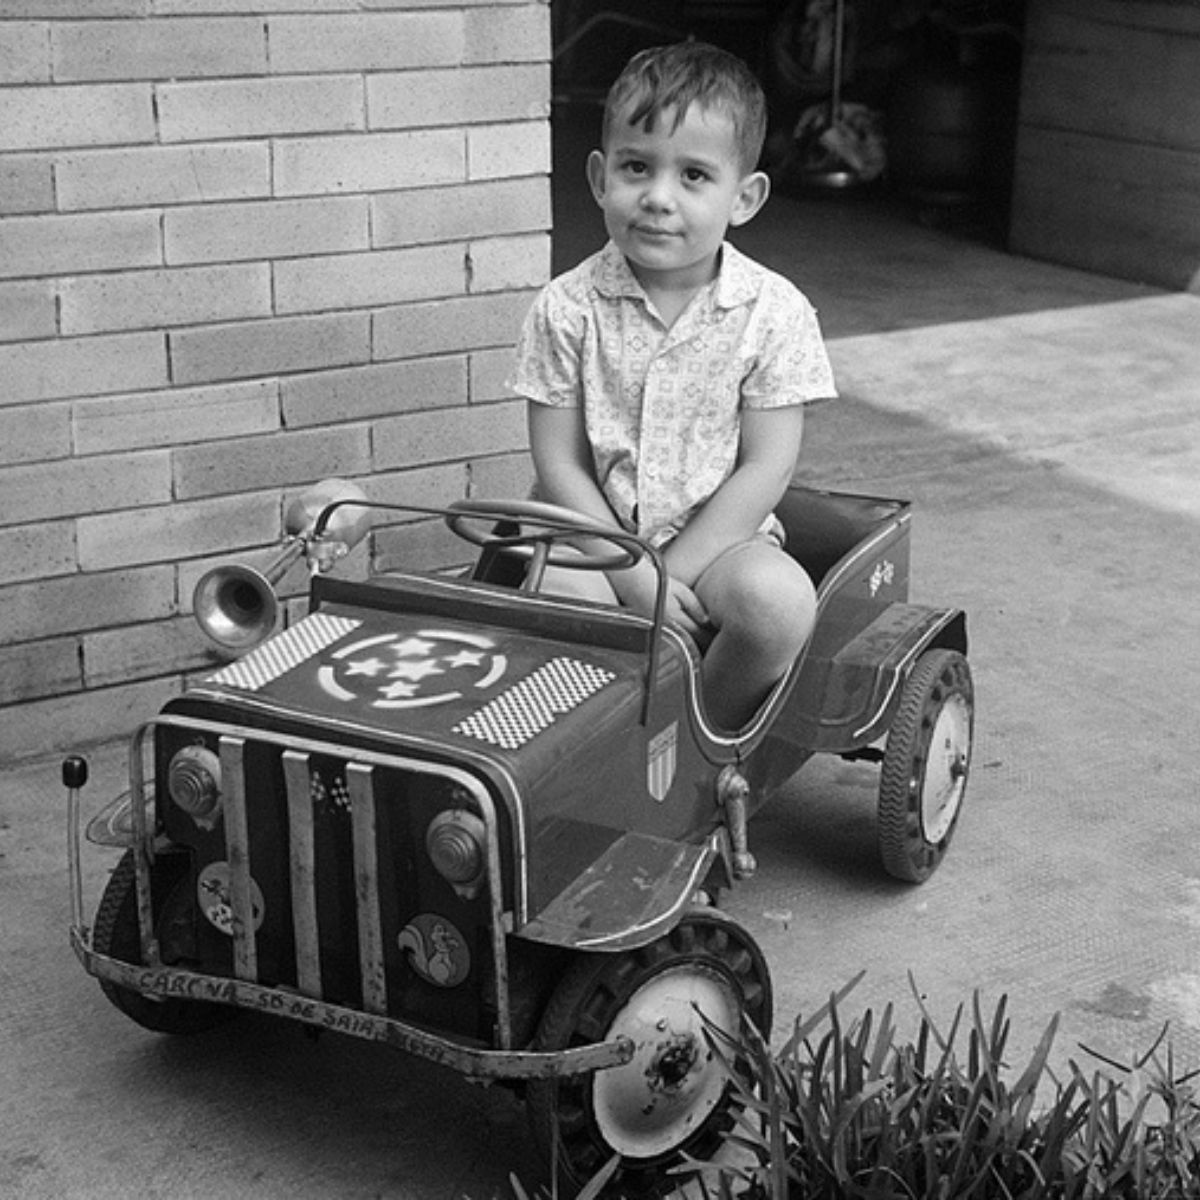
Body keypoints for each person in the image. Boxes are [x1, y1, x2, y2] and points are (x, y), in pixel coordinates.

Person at [509, 40, 837, 731]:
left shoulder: (773, 313)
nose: (658, 198)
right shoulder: (565, 308)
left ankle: (693, 738)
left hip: (719, 543)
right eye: (636, 167)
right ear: (599, 177)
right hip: (592, 539)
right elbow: (559, 464)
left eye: (693, 175)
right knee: (552, 600)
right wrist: (630, 571)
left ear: (743, 198)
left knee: (779, 606)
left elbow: (767, 466)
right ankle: (591, 748)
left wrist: (669, 574)